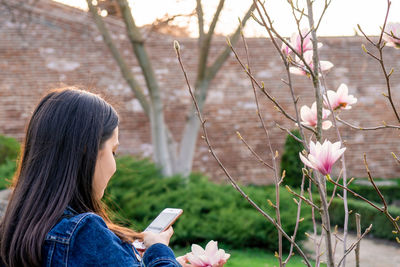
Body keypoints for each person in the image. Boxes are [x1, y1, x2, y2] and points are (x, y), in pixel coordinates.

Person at [0, 88, 182, 266]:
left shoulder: (14, 231)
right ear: (89, 151)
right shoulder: (85, 233)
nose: (114, 166)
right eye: (113, 151)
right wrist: (158, 250)